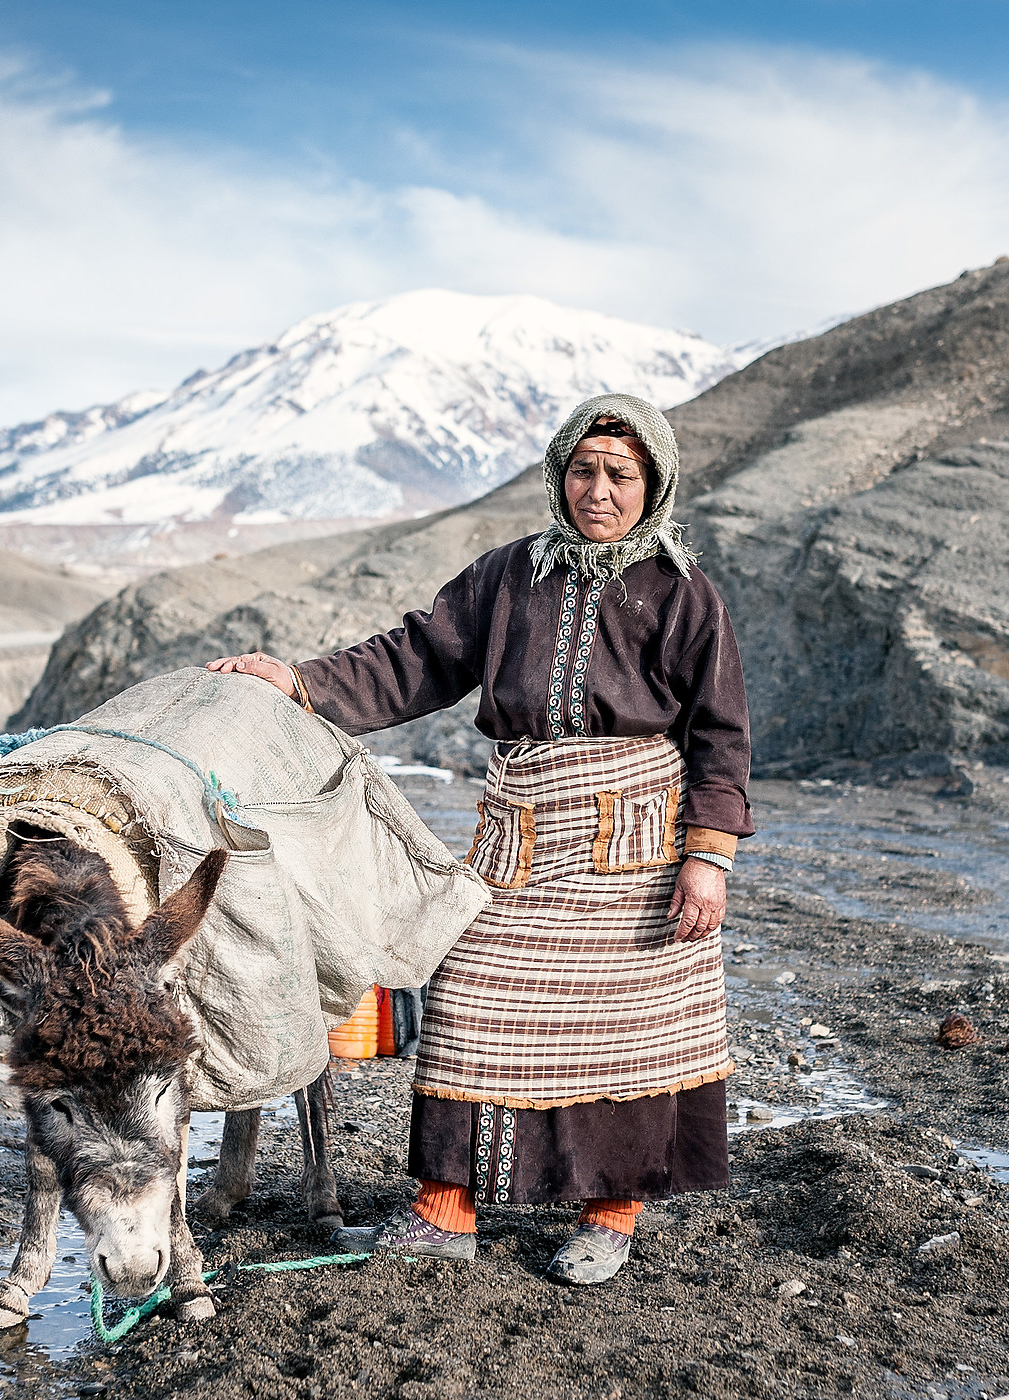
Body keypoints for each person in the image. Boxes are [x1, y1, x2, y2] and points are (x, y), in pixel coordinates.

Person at [205, 392, 753, 1285]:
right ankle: (446, 1210)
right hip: (524, 828)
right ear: (558, 475)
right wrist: (296, 680)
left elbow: (721, 733)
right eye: (584, 470)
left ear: (652, 485)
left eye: (621, 474)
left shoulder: (683, 592)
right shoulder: (508, 577)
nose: (599, 491)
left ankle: (610, 1216)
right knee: (466, 993)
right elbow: (415, 658)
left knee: (624, 1026)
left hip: (637, 843)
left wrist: (709, 857)